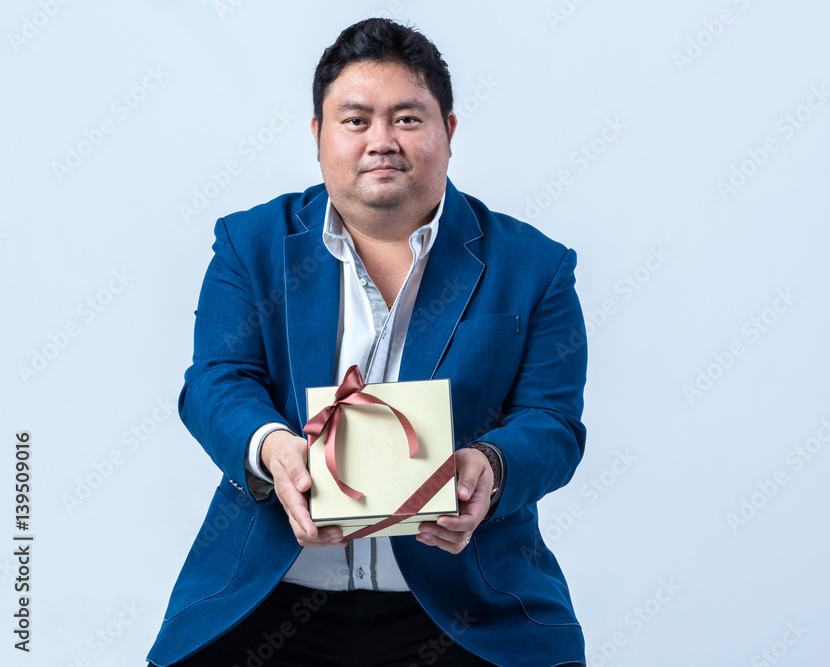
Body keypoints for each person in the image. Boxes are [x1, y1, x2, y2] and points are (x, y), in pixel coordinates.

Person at [146, 17, 587, 667]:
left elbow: (552, 422)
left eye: (407, 118)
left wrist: (491, 468)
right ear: (319, 136)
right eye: (356, 120)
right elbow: (217, 379)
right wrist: (271, 448)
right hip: (272, 592)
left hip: (465, 604)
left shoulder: (534, 265)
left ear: (450, 131)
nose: (382, 141)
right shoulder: (253, 244)